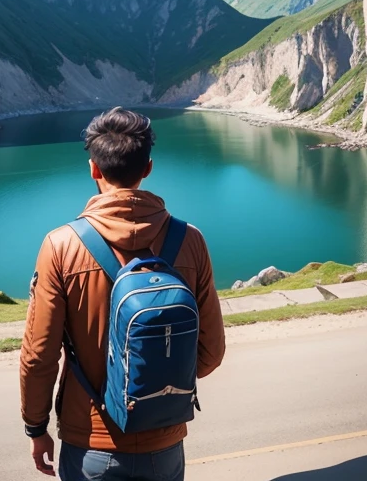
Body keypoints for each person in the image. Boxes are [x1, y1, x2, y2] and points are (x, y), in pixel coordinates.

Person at [20, 107, 226, 480]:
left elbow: (39, 357)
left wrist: (36, 428)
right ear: (147, 168)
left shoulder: (61, 245)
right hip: (164, 442)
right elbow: (211, 354)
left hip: (91, 444)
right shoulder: (190, 240)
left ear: (94, 169)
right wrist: (157, 376)